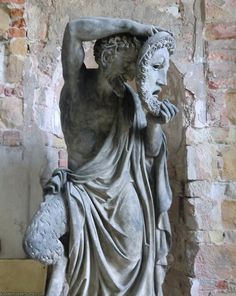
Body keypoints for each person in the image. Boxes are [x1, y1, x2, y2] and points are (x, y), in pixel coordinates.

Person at [24, 17, 178, 296]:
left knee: (132, 256)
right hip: (78, 193)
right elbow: (73, 30)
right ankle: (61, 267)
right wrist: (132, 27)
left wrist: (156, 122)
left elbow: (151, 151)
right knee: (36, 241)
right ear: (109, 56)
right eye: (130, 58)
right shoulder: (76, 84)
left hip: (122, 193)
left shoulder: (131, 101)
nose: (135, 67)